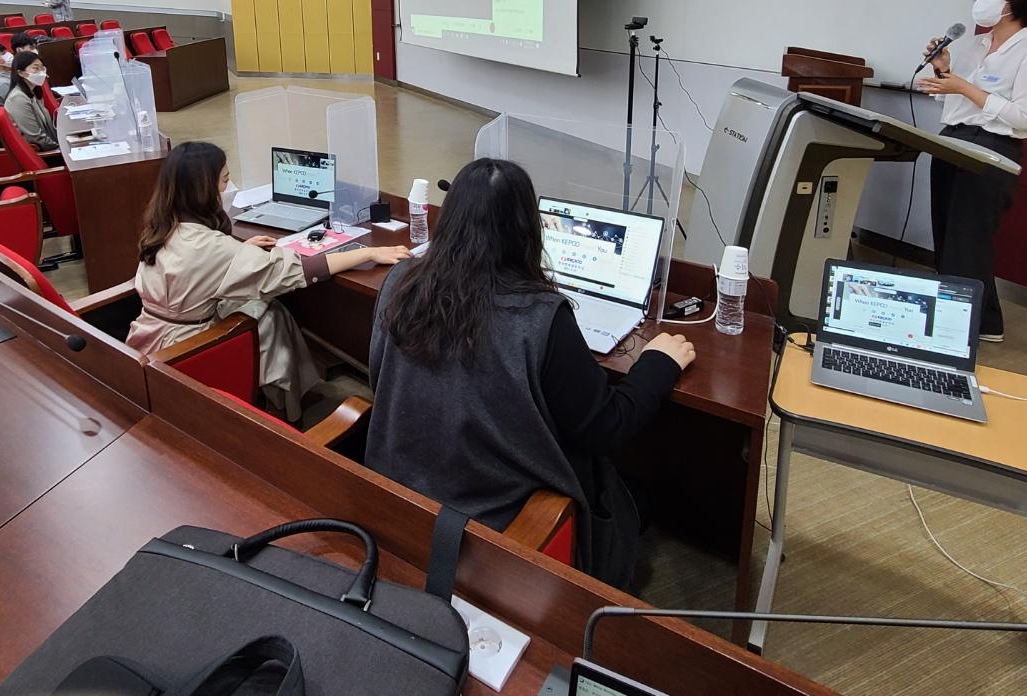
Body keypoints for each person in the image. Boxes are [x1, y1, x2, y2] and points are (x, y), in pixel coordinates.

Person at [364, 158, 695, 585]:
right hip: (495, 524)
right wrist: (658, 362)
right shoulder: (540, 315)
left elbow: (379, 378)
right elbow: (604, 429)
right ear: (527, 231)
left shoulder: (401, 282)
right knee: (634, 497)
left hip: (400, 494)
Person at [129, 141, 408, 420]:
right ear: (204, 190)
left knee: (266, 310)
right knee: (269, 315)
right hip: (186, 350)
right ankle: (283, 411)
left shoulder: (164, 225)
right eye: (225, 180)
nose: (229, 187)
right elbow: (298, 269)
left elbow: (196, 269)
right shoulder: (211, 247)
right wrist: (367, 253)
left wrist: (238, 251)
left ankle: (290, 396)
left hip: (147, 336)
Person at [915, 0, 1027, 342]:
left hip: (992, 148)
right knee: (947, 233)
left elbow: (1026, 118)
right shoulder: (977, 45)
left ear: (1020, 1)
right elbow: (956, 102)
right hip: (953, 139)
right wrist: (944, 73)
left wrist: (965, 88)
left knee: (969, 239)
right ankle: (970, 319)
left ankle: (971, 325)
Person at [3, 50, 57, 149]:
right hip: (43, 151)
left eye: (42, 68)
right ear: (21, 73)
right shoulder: (17, 98)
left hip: (50, 143)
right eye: (36, 68)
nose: (41, 72)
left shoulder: (33, 90)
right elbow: (35, 137)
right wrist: (59, 147)